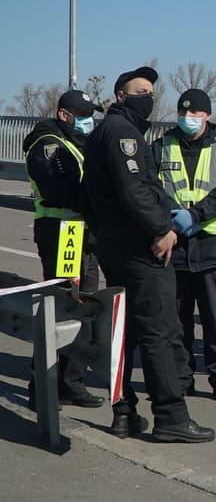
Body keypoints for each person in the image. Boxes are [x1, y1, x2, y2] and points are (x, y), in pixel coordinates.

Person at [83, 66, 214, 442]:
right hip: (139, 246)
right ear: (121, 96)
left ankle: (124, 412)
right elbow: (134, 190)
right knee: (161, 331)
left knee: (124, 331)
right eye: (140, 91)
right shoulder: (122, 133)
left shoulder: (106, 131)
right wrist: (162, 229)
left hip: (115, 243)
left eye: (151, 92)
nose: (149, 97)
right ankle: (171, 416)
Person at [151, 89, 216, 404]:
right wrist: (173, 220)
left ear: (207, 116)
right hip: (175, 244)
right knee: (177, 320)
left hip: (214, 245)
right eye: (183, 113)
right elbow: (151, 188)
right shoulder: (161, 146)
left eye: (195, 114)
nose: (188, 118)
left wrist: (195, 215)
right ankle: (181, 378)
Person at [22, 89, 105, 408]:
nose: (88, 121)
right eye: (82, 115)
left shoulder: (78, 143)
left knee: (83, 309)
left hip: (83, 233)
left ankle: (72, 383)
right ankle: (41, 386)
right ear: (64, 114)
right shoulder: (48, 144)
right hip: (63, 233)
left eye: (90, 115)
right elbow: (59, 189)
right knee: (60, 310)